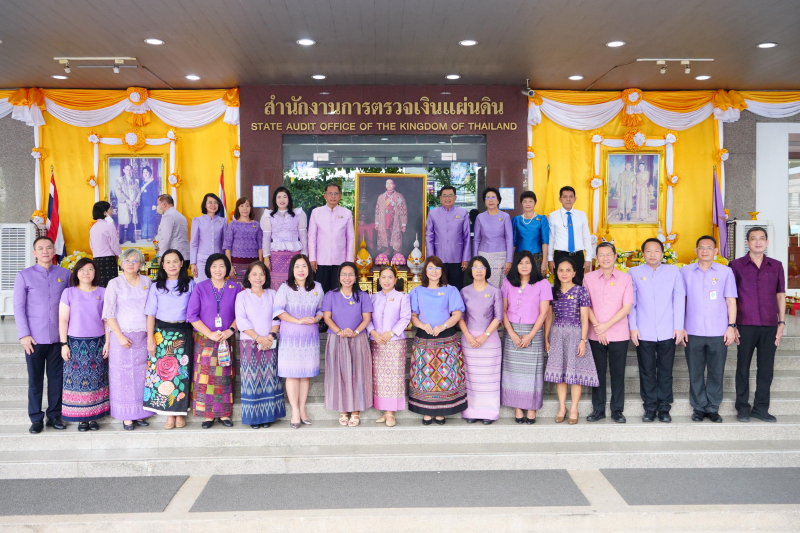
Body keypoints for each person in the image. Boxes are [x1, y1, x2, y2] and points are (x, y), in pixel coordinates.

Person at [14, 236, 71, 434]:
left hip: (58, 338)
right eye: (40, 248)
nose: (45, 251)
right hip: (34, 339)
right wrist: (24, 335)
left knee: (57, 378)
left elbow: (71, 305)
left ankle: (54, 415)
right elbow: (18, 308)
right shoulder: (24, 275)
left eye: (48, 247)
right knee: (35, 379)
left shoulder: (65, 274)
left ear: (54, 250)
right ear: (34, 253)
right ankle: (36, 418)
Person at [730, 226, 786, 423]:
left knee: (766, 368)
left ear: (767, 242)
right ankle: (743, 408)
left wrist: (781, 322)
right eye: (753, 238)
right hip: (745, 324)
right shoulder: (735, 265)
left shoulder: (777, 265)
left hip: (770, 324)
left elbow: (780, 295)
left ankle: (761, 408)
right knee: (743, 367)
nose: (758, 241)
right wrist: (733, 325)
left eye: (762, 238)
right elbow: (731, 297)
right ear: (747, 242)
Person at [628, 238, 686, 423]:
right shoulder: (634, 272)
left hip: (668, 329)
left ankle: (664, 408)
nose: (652, 254)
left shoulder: (673, 271)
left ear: (662, 253)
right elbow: (631, 303)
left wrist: (679, 326)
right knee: (646, 370)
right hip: (643, 331)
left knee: (665, 370)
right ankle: (650, 407)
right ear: (642, 254)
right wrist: (633, 327)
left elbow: (679, 299)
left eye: (656, 251)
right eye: (648, 251)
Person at [681, 235, 738, 423]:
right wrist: (680, 327)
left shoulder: (725, 272)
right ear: (696, 251)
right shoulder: (685, 271)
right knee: (695, 371)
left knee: (716, 370)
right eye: (701, 247)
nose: (705, 251)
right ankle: (698, 407)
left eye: (709, 247)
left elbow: (731, 301)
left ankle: (713, 407)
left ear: (715, 251)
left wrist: (731, 326)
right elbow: (681, 301)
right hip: (693, 330)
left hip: (718, 331)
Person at [409, 256, 467, 424]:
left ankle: (442, 411)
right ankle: (426, 411)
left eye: (437, 268)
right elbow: (413, 315)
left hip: (446, 336)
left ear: (442, 271)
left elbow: (457, 314)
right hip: (424, 336)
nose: (434, 272)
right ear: (425, 271)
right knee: (424, 374)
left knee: (444, 374)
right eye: (430, 268)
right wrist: (422, 325)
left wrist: (443, 326)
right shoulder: (417, 291)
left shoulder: (451, 290)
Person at [187, 253, 241, 428]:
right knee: (205, 377)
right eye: (214, 266)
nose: (218, 269)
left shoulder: (235, 287)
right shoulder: (200, 287)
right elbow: (192, 316)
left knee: (225, 376)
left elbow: (241, 313)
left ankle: (224, 413)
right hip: (205, 339)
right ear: (208, 268)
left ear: (227, 268)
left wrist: (230, 330)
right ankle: (207, 415)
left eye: (222, 266)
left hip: (227, 338)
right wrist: (209, 333)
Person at [102, 248, 153, 430]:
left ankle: (140, 413)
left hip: (143, 335)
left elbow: (151, 311)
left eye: (135, 260)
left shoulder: (148, 282)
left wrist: (150, 336)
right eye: (127, 260)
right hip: (121, 337)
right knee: (122, 376)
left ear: (141, 264)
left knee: (142, 375)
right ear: (121, 263)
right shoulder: (114, 283)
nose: (131, 264)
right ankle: (127, 416)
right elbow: (108, 313)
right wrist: (120, 336)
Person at [144, 249, 195, 430]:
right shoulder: (156, 286)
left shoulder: (190, 284)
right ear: (162, 265)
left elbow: (195, 311)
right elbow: (150, 314)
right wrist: (150, 339)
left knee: (180, 374)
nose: (172, 265)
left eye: (175, 261)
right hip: (162, 334)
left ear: (182, 263)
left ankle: (180, 413)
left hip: (183, 333)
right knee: (163, 375)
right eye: (168, 262)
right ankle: (169, 415)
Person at [544, 257, 598, 425]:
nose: (564, 273)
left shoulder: (581, 291)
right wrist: (546, 338)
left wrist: (583, 340)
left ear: (574, 273)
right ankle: (562, 407)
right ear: (556, 272)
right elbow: (549, 317)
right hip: (557, 334)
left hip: (576, 334)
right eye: (561, 270)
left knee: (575, 373)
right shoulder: (552, 291)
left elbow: (584, 316)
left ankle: (574, 408)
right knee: (560, 374)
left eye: (568, 270)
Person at [584, 242, 633, 424]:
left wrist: (606, 326)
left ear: (615, 257)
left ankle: (617, 410)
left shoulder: (625, 278)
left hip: (618, 334)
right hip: (595, 333)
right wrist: (598, 326)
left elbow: (626, 307)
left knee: (618, 373)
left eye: (608, 254)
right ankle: (598, 409)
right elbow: (585, 305)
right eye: (601, 255)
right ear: (596, 257)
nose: (605, 258)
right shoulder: (588, 278)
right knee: (597, 373)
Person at [501, 251, 552, 424]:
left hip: (534, 330)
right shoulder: (508, 283)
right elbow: (503, 310)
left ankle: (531, 408)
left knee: (533, 372)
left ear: (533, 265)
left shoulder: (542, 283)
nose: (524, 266)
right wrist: (512, 334)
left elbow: (544, 312)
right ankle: (517, 407)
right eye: (520, 263)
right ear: (515, 265)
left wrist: (531, 335)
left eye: (528, 263)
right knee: (513, 371)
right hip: (512, 331)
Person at [58, 258, 110, 431]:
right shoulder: (69, 293)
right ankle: (81, 419)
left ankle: (95, 416)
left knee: (97, 380)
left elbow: (107, 320)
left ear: (95, 272)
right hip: (75, 343)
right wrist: (64, 344)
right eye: (82, 269)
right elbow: (63, 320)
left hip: (97, 342)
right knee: (77, 381)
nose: (86, 273)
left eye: (90, 269)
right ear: (76, 272)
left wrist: (107, 343)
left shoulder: (103, 292)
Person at [274, 254, 324, 428]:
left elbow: (322, 310)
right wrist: (298, 320)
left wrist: (316, 319)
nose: (301, 270)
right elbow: (278, 311)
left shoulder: (317, 287)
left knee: (305, 375)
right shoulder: (285, 288)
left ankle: (302, 409)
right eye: (297, 266)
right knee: (292, 374)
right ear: (292, 270)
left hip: (310, 337)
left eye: (304, 266)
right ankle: (294, 410)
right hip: (291, 337)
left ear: (308, 269)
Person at [322, 262, 374, 427]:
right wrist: (339, 331)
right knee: (339, 373)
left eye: (350, 274)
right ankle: (343, 409)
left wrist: (355, 332)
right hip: (337, 339)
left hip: (358, 339)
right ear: (339, 276)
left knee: (358, 373)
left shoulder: (363, 296)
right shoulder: (331, 295)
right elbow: (327, 317)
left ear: (356, 277)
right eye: (343, 274)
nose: (347, 278)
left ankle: (356, 409)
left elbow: (367, 319)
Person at [235, 261, 285, 429]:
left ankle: (269, 415)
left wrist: (270, 337)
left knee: (270, 379)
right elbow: (241, 321)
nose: (258, 277)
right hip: (249, 343)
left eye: (262, 274)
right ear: (248, 276)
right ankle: (254, 418)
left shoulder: (273, 293)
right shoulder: (242, 295)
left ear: (266, 276)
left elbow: (277, 317)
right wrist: (258, 338)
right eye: (254, 274)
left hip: (270, 341)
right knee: (252, 379)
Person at [459, 256, 503, 424]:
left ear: (487, 270)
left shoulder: (494, 291)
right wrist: (469, 336)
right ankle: (471, 411)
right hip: (469, 340)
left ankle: (489, 412)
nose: (478, 270)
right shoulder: (464, 291)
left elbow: (498, 317)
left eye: (482, 267)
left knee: (488, 378)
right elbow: (460, 316)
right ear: (470, 270)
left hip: (489, 341)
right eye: (475, 267)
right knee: (471, 378)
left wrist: (484, 335)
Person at [368, 265, 411, 427]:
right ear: (379, 280)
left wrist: (391, 333)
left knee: (394, 377)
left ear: (395, 280)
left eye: (390, 277)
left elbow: (405, 318)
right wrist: (373, 333)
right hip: (377, 341)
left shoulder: (402, 297)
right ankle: (384, 410)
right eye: (383, 277)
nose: (387, 280)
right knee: (379, 377)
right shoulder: (373, 297)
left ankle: (390, 413)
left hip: (395, 342)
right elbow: (367, 318)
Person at [308, 182, 355, 293]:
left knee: (338, 291)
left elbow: (351, 239)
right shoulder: (316, 213)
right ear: (325, 196)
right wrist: (312, 259)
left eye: (335, 193)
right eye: (330, 193)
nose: (333, 196)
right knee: (320, 292)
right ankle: (321, 311)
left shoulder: (347, 213)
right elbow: (311, 237)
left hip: (340, 261)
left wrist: (349, 261)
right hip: (320, 261)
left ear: (340, 196)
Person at [261, 186, 308, 290]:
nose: (282, 200)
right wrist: (266, 258)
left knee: (295, 281)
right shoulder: (269, 216)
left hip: (294, 255)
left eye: (285, 197)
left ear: (289, 199)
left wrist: (304, 256)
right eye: (279, 197)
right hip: (276, 256)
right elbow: (266, 239)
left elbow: (303, 237)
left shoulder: (298, 214)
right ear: (275, 200)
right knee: (275, 283)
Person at [425, 186, 471, 289]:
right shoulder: (433, 213)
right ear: (440, 198)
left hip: (457, 258)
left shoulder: (462, 213)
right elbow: (429, 236)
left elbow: (467, 236)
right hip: (438, 258)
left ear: (455, 197)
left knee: (456, 287)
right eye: (444, 196)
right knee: (439, 286)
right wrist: (431, 258)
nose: (447, 198)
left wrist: (466, 258)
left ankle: (455, 305)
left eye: (450, 195)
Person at [547, 186, 593, 286]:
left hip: (578, 256)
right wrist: (550, 258)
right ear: (560, 199)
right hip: (560, 255)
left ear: (575, 199)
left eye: (571, 196)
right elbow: (551, 238)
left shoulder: (582, 215)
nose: (568, 199)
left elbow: (586, 237)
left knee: (578, 285)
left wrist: (588, 258)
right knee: (560, 285)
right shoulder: (553, 216)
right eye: (565, 197)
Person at [473, 188, 513, 289]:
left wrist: (509, 260)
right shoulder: (480, 217)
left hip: (501, 256)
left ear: (498, 200)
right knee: (485, 285)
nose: (490, 200)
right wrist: (475, 259)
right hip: (484, 255)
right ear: (484, 201)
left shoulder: (505, 216)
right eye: (488, 198)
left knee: (502, 287)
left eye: (493, 197)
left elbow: (509, 239)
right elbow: (476, 239)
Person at [224, 197, 263, 284]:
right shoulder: (232, 225)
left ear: (251, 208)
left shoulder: (256, 225)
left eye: (247, 206)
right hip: (236, 264)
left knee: (253, 287)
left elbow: (260, 247)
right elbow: (227, 247)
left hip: (253, 263)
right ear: (238, 208)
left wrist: (261, 265)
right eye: (241, 206)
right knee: (235, 289)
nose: (244, 208)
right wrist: (229, 266)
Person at [190, 193, 228, 282]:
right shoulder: (197, 220)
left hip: (219, 261)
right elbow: (194, 244)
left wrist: (226, 262)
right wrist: (193, 263)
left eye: (215, 202)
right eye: (210, 202)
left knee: (217, 287)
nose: (213, 205)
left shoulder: (223, 221)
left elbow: (225, 244)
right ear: (205, 205)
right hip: (202, 261)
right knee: (201, 287)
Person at [511, 191, 549, 276]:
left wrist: (544, 262)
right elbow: (513, 242)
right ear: (521, 203)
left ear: (535, 203)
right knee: (520, 281)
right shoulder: (516, 220)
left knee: (536, 283)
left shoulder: (542, 219)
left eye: (530, 201)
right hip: (520, 258)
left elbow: (545, 242)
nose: (527, 204)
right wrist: (511, 260)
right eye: (525, 201)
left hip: (536, 257)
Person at [89, 201, 122, 287]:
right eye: (110, 209)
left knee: (99, 285)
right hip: (108, 260)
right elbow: (114, 244)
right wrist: (119, 255)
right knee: (111, 286)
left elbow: (91, 245)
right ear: (105, 212)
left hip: (96, 260)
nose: (112, 211)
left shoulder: (93, 227)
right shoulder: (109, 226)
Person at [374, 178, 408, 257]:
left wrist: (403, 224)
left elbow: (403, 210)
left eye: (391, 183)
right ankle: (385, 258)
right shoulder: (381, 197)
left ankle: (397, 258)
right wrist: (377, 223)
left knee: (396, 240)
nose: (389, 185)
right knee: (385, 239)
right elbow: (377, 210)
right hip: (384, 221)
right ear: (385, 185)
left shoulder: (399, 196)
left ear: (394, 185)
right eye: (387, 183)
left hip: (395, 221)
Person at [155, 194, 190, 265]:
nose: (158, 207)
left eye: (158, 204)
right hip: (185, 255)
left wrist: (161, 255)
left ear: (164, 204)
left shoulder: (168, 216)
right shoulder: (181, 216)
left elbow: (165, 238)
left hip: (174, 258)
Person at [116, 164, 141, 244]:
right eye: (127, 169)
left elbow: (139, 192)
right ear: (124, 170)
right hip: (124, 203)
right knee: (123, 221)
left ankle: (131, 237)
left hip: (133, 203)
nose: (129, 171)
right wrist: (127, 200)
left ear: (132, 170)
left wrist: (135, 201)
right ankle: (121, 238)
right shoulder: (120, 180)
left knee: (132, 221)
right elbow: (118, 191)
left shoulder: (135, 181)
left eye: (130, 170)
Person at [139, 166, 160, 240]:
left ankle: (150, 236)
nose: (145, 174)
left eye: (147, 172)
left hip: (150, 204)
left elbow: (155, 193)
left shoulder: (153, 182)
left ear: (150, 173)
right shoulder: (141, 182)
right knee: (144, 220)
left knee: (150, 220)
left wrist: (154, 204)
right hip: (142, 205)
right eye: (144, 172)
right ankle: (144, 235)